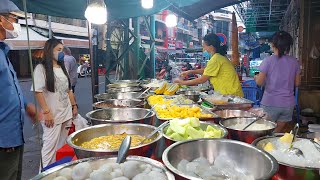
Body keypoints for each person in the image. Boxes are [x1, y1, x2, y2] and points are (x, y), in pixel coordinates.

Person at [0, 1, 38, 179]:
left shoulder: (3, 52)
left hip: (14, 136)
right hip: (3, 140)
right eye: (14, 19)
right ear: (1, 20)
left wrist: (26, 106)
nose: (17, 25)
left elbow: (9, 88)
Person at [32, 38, 78, 168]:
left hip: (66, 113)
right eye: (58, 50)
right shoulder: (41, 69)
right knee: (49, 150)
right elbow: (38, 91)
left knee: (61, 147)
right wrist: (46, 112)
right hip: (52, 116)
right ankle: (44, 174)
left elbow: (68, 90)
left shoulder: (63, 68)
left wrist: (74, 106)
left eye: (62, 50)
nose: (61, 53)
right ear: (49, 50)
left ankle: (56, 171)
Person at [255, 31, 300, 133]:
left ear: (273, 45)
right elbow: (297, 83)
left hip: (270, 103)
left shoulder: (267, 61)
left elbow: (259, 82)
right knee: (276, 132)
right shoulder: (295, 62)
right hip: (288, 105)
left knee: (265, 132)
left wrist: (256, 78)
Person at [175, 33, 243, 97]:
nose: (204, 49)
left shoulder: (216, 59)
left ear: (211, 47)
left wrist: (182, 82)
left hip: (230, 95)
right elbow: (207, 70)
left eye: (204, 46)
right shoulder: (219, 57)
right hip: (231, 93)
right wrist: (190, 71)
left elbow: (202, 80)